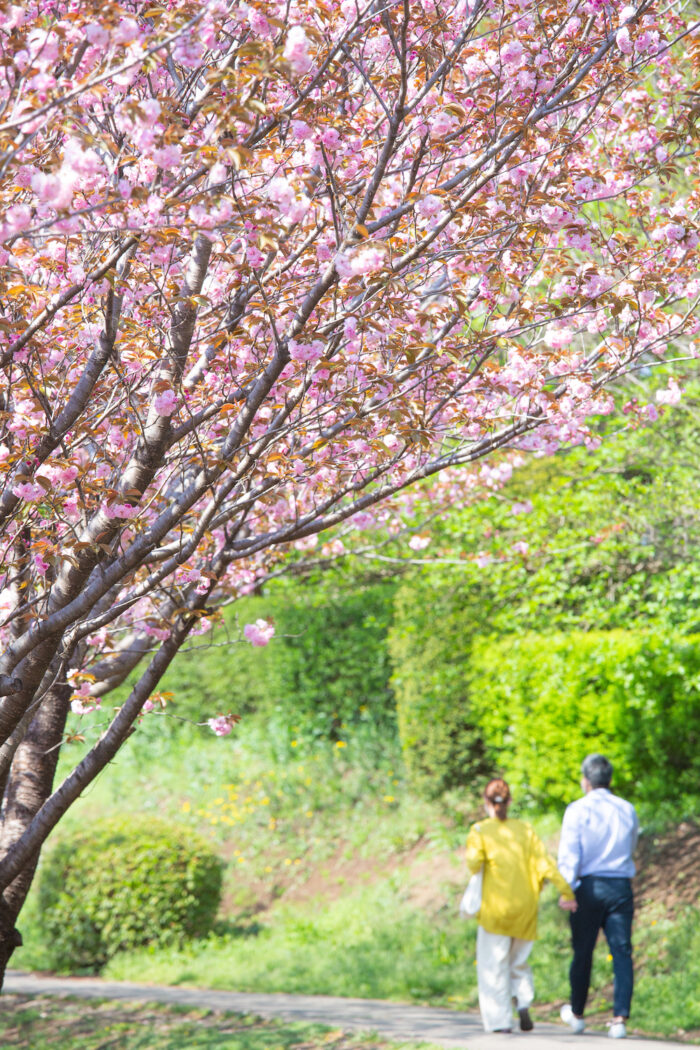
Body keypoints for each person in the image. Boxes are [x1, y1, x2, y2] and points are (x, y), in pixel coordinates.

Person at [466, 778, 576, 1034]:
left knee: (494, 966)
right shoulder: (525, 830)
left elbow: (473, 863)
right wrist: (566, 892)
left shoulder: (480, 830)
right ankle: (523, 1001)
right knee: (518, 962)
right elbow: (546, 863)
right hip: (525, 909)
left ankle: (500, 1022)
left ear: (485, 802)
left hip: (495, 910)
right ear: (510, 801)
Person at [557, 753, 639, 1040]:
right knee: (622, 952)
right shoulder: (627, 808)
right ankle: (619, 1019)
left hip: (588, 887)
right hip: (620, 887)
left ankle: (578, 1014)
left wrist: (566, 889)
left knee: (583, 951)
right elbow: (632, 845)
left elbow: (570, 854)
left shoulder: (577, 810)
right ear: (610, 779)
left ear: (585, 781)